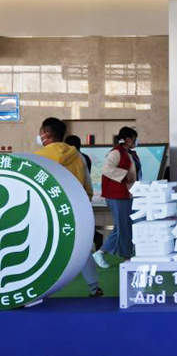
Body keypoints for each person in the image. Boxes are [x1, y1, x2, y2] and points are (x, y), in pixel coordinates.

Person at [34, 119, 103, 297]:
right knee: (81, 248)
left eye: (40, 133)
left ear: (46, 135)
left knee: (43, 249)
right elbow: (88, 185)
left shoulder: (39, 157)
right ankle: (94, 287)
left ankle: (37, 290)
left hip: (48, 210)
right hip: (76, 208)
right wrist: (83, 204)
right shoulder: (78, 156)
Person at [92, 127, 138, 267]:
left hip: (125, 194)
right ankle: (126, 257)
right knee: (124, 227)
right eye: (134, 139)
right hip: (117, 195)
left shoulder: (128, 153)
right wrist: (126, 176)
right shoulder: (116, 152)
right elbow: (106, 169)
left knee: (122, 226)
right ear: (128, 139)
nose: (136, 142)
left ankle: (102, 252)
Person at [65, 135, 104, 251]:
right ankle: (94, 237)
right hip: (82, 193)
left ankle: (93, 238)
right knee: (82, 221)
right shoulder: (85, 157)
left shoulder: (71, 158)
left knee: (77, 222)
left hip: (73, 194)